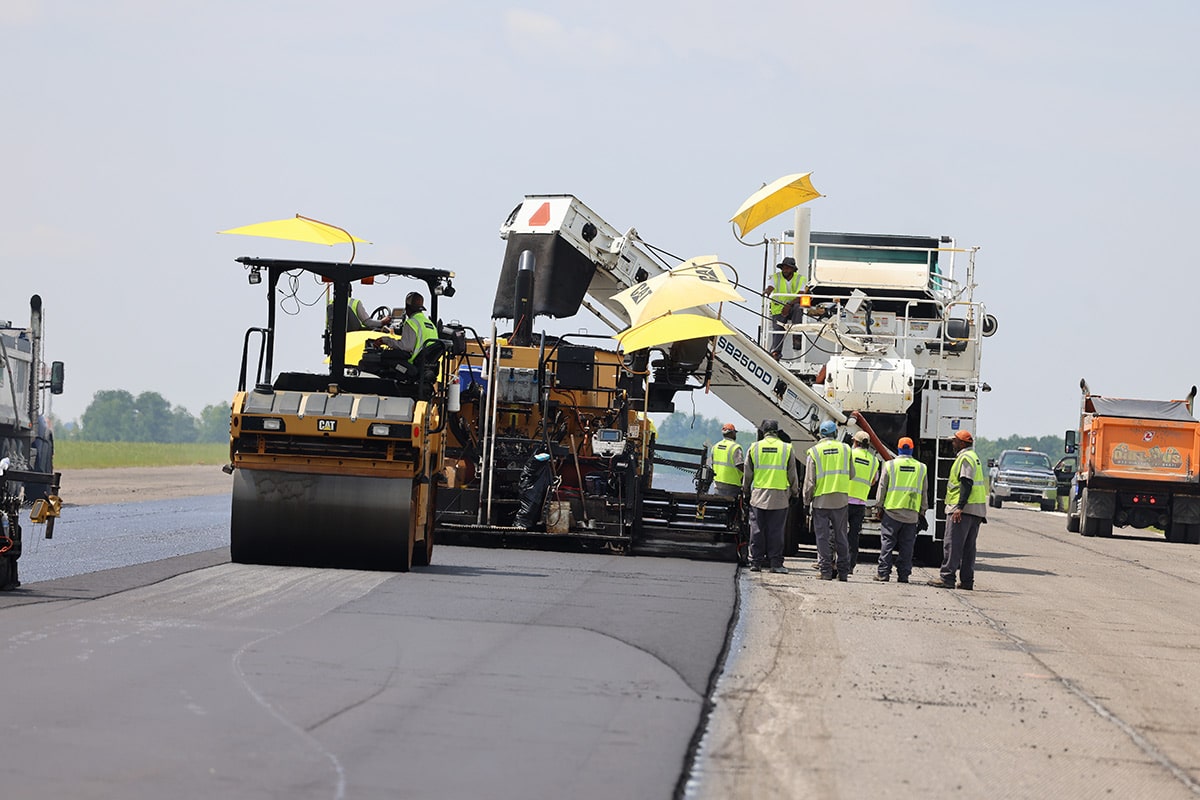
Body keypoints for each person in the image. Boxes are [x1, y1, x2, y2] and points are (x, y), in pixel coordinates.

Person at [928, 429, 988, 590]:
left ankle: (947, 578)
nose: (952, 444)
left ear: (961, 443)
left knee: (952, 544)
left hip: (964, 509)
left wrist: (959, 507)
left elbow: (966, 483)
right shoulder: (974, 457)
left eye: (954, 441)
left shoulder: (965, 458)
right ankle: (967, 581)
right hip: (976, 510)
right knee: (969, 548)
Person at [742, 419, 799, 574]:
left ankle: (756, 562)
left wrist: (746, 491)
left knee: (757, 529)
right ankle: (775, 563)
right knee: (776, 531)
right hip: (780, 496)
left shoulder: (754, 447)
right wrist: (795, 493)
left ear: (763, 431)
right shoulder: (786, 449)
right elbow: (792, 474)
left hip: (759, 494)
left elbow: (748, 472)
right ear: (777, 431)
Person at [874, 437, 929, 583]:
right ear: (911, 449)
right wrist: (922, 511)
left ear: (899, 449)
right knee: (907, 545)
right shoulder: (921, 467)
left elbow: (882, 487)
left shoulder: (890, 465)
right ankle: (903, 575)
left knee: (887, 543)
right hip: (911, 514)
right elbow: (924, 492)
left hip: (892, 511)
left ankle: (883, 573)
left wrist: (879, 506)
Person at [804, 420, 853, 581]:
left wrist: (806, 501)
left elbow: (810, 481)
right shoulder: (846, 449)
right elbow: (851, 474)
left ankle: (825, 571)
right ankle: (843, 572)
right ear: (835, 433)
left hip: (821, 500)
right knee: (841, 536)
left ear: (821, 434)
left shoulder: (815, 451)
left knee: (823, 537)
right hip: (840, 499)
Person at [846, 430, 881, 574]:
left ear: (855, 442)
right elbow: (873, 481)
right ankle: (850, 566)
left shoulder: (850, 454)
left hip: (845, 500)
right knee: (854, 536)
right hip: (860, 502)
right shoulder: (874, 461)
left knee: (839, 533)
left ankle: (836, 563)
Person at [765, 256, 806, 359]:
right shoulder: (775, 277)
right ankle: (776, 352)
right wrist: (767, 291)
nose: (785, 270)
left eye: (787, 268)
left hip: (792, 307)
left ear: (793, 269)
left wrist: (789, 305)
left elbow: (801, 294)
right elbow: (770, 287)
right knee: (778, 327)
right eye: (783, 267)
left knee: (798, 308)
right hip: (778, 308)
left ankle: (797, 339)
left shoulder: (801, 278)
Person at [396, 291, 438, 362]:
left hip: (411, 363)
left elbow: (405, 347)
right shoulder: (431, 324)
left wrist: (386, 341)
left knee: (385, 357)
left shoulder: (411, 322)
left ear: (407, 308)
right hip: (426, 365)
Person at [710, 423, 744, 498]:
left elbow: (712, 465)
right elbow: (740, 465)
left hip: (717, 485)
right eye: (735, 432)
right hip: (732, 486)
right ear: (732, 433)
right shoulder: (735, 447)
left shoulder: (715, 447)